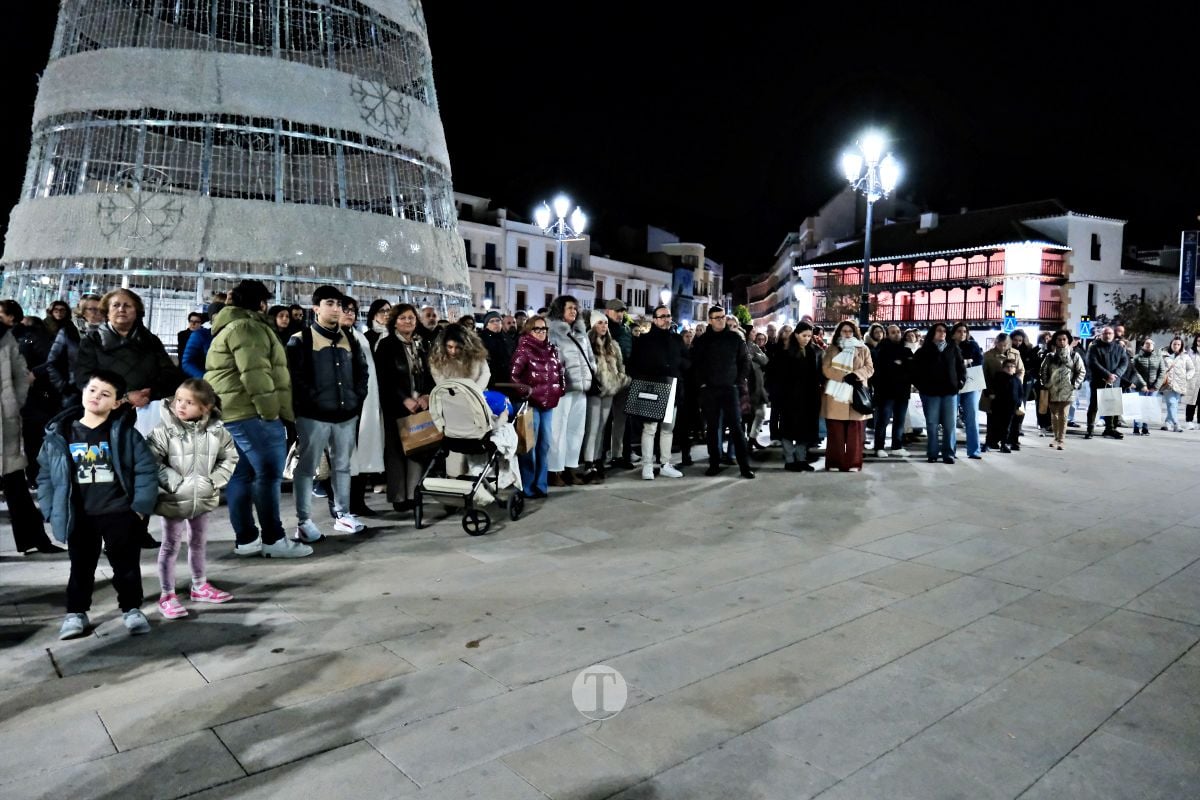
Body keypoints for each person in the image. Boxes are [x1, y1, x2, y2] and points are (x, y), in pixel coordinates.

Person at [40, 371, 158, 639]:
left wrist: (139, 508)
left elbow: (146, 471)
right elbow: (45, 475)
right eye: (92, 390)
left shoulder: (125, 434)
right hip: (80, 515)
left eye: (106, 394)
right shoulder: (61, 434)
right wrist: (49, 508)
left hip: (118, 512)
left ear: (116, 403)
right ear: (83, 392)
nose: (96, 397)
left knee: (126, 565)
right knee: (81, 566)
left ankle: (131, 609)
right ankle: (76, 613)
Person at [206, 280, 309, 558]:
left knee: (241, 475)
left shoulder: (229, 325)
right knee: (269, 475)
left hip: (232, 412)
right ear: (261, 303)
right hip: (251, 413)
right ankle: (274, 539)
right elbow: (256, 375)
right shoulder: (248, 327)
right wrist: (270, 414)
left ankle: (247, 539)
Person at [146, 379, 238, 619]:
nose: (181, 406)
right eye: (179, 400)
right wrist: (174, 482)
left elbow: (229, 458)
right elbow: (152, 461)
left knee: (198, 542)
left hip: (203, 498)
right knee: (170, 545)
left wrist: (213, 481)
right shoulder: (163, 431)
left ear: (205, 408)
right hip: (173, 499)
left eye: (189, 402)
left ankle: (200, 585)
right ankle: (167, 595)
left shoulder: (217, 432)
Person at [287, 286, 370, 541]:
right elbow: (295, 378)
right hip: (314, 416)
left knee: (342, 466)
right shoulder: (300, 339)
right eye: (330, 303)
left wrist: (356, 399)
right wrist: (312, 404)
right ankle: (304, 521)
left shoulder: (350, 338)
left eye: (339, 304)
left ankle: (342, 514)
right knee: (308, 468)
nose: (337, 309)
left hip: (345, 414)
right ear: (316, 308)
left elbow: (361, 373)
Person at [1, 315, 57, 554]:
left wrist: (13, 403)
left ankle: (34, 539)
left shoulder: (4, 335)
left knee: (16, 486)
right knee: (16, 487)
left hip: (5, 422)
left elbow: (21, 373)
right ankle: (35, 539)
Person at [373, 304, 433, 512]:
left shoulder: (422, 344)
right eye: (403, 318)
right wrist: (403, 399)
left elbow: (430, 374)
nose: (408, 321)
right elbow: (384, 378)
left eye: (412, 318)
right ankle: (398, 496)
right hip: (396, 406)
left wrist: (426, 395)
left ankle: (413, 493)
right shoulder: (387, 345)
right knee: (396, 452)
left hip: (420, 405)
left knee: (418, 449)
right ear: (394, 321)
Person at [691, 306, 754, 479]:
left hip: (730, 388)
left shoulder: (734, 338)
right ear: (710, 320)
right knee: (712, 429)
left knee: (737, 428)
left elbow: (745, 361)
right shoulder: (702, 341)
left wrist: (738, 381)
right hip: (710, 390)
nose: (721, 320)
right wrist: (702, 384)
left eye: (722, 317)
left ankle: (744, 466)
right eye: (717, 317)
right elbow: (696, 364)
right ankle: (714, 463)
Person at [626, 304, 687, 481]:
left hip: (672, 385)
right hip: (652, 387)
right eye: (662, 316)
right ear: (654, 319)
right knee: (650, 428)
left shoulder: (676, 339)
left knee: (668, 428)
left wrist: (678, 367)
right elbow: (634, 364)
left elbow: (686, 359)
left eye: (668, 316)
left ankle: (665, 464)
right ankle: (647, 465)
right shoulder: (644, 340)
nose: (666, 319)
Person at [338, 297, 385, 516]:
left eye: (353, 311)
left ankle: (357, 502)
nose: (350, 314)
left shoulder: (359, 338)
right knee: (343, 456)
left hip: (363, 405)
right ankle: (340, 504)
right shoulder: (328, 337)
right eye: (345, 310)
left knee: (363, 452)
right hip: (341, 406)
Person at [509, 315, 565, 497]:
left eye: (544, 329)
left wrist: (559, 389)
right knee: (529, 446)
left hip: (548, 403)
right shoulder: (523, 350)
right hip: (530, 404)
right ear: (529, 331)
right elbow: (513, 377)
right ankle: (528, 485)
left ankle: (541, 485)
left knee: (545, 444)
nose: (541, 333)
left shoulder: (552, 349)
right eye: (537, 329)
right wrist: (525, 393)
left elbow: (559, 371)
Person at [546, 295, 596, 487]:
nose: (573, 311)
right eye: (569, 308)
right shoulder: (553, 332)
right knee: (558, 430)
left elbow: (590, 357)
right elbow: (551, 359)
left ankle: (570, 468)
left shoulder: (581, 333)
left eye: (575, 308)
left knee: (576, 430)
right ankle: (554, 470)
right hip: (563, 389)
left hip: (581, 388)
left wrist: (592, 371)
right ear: (560, 310)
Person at [581, 313, 630, 482]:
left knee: (601, 426)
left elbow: (620, 365)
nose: (604, 326)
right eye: (600, 323)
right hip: (594, 390)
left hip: (609, 390)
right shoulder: (587, 342)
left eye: (606, 323)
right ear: (593, 325)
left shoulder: (613, 345)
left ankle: (597, 459)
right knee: (592, 427)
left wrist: (619, 380)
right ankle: (589, 463)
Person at [820, 321, 874, 471]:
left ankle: (853, 463)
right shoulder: (832, 348)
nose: (847, 334)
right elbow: (826, 368)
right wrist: (842, 376)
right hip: (835, 394)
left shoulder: (863, 348)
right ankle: (835, 462)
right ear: (839, 332)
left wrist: (855, 375)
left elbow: (869, 368)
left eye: (850, 331)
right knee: (835, 432)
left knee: (854, 433)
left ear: (855, 332)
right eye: (844, 331)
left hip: (855, 393)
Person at [913, 322, 966, 463]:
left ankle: (948, 453)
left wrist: (960, 383)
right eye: (939, 330)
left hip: (950, 392)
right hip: (931, 393)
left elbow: (961, 368)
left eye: (944, 331)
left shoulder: (953, 348)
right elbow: (915, 372)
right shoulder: (923, 351)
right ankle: (932, 453)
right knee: (932, 424)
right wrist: (922, 387)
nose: (942, 333)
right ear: (933, 333)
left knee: (949, 425)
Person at [774, 322, 823, 471]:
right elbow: (778, 377)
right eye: (804, 336)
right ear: (796, 335)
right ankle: (789, 460)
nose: (807, 339)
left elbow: (817, 374)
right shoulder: (785, 353)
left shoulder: (813, 352)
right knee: (788, 429)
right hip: (789, 398)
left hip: (808, 398)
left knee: (805, 430)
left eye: (809, 336)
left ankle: (801, 459)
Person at [46, 294, 103, 409]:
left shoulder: (110, 334)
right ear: (83, 312)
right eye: (91, 309)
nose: (96, 312)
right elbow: (52, 362)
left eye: (100, 309)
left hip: (102, 393)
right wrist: (63, 387)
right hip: (74, 393)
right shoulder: (69, 332)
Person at [1038, 329, 1085, 450]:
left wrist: (1074, 384)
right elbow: (1043, 371)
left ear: (1068, 341)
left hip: (1067, 390)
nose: (1062, 341)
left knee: (1064, 415)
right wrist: (1046, 383)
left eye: (1064, 339)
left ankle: (1061, 439)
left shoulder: (1074, 355)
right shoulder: (1050, 356)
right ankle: (1055, 437)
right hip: (1052, 389)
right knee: (1054, 416)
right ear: (1055, 341)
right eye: (1059, 339)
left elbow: (1081, 371)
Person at [871, 324, 913, 457]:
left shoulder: (906, 350)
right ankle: (879, 447)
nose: (897, 334)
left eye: (898, 332)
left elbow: (911, 369)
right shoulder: (881, 349)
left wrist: (900, 365)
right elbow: (881, 370)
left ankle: (897, 446)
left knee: (899, 420)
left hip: (903, 391)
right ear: (888, 335)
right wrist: (898, 365)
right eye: (893, 332)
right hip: (885, 392)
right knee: (883, 420)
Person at [603, 299, 635, 469]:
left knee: (621, 420)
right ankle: (599, 456)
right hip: (608, 380)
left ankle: (618, 455)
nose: (620, 314)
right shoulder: (603, 329)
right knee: (603, 421)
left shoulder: (626, 330)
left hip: (624, 379)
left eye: (622, 311)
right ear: (607, 311)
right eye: (616, 311)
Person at [982, 333, 1025, 450]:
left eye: (1005, 345)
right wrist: (989, 391)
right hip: (994, 393)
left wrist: (1016, 383)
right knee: (993, 419)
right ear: (996, 343)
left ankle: (1011, 441)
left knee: (1012, 419)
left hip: (1011, 393)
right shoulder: (988, 355)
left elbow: (1021, 370)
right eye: (1000, 345)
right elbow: (985, 375)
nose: (1002, 347)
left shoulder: (1015, 354)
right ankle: (992, 441)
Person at [1084, 326, 1128, 440]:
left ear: (1113, 335)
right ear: (1101, 335)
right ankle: (1090, 429)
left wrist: (1115, 374)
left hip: (1114, 381)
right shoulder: (1094, 347)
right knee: (1094, 406)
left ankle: (1110, 429)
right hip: (1098, 381)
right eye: (1105, 333)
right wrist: (1107, 375)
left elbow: (1124, 362)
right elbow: (1092, 362)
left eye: (1110, 333)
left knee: (1111, 406)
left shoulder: (1119, 348)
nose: (1107, 335)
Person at [951, 323, 985, 458]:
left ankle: (974, 450)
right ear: (953, 333)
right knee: (951, 418)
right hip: (953, 384)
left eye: (964, 331)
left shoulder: (973, 345)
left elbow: (979, 362)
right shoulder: (949, 346)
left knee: (972, 417)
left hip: (971, 382)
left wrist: (965, 363)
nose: (962, 333)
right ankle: (950, 450)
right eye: (959, 331)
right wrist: (965, 362)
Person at [986, 358, 1024, 453]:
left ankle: (1005, 444)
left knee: (1010, 427)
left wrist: (1019, 403)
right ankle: (990, 442)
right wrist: (991, 394)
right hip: (998, 406)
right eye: (1007, 367)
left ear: (1015, 369)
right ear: (1003, 368)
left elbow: (1020, 393)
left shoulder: (1017, 380)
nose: (1010, 369)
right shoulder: (998, 377)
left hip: (1012, 407)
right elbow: (989, 388)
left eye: (1012, 367)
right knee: (994, 426)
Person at [181, 299, 225, 380]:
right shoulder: (201, 335)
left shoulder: (234, 335)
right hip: (206, 383)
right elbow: (187, 362)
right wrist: (205, 378)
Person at [1161, 336, 1195, 433]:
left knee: (1174, 404)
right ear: (1171, 344)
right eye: (1174, 344)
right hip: (1168, 383)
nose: (1176, 346)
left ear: (1181, 346)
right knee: (1171, 402)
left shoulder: (1185, 356)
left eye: (1178, 344)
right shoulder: (1164, 355)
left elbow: (1191, 369)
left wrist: (1186, 377)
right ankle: (1176, 424)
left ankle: (1168, 422)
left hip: (1180, 384)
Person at [1130, 337, 1162, 436]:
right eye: (1146, 343)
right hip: (1139, 387)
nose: (1148, 345)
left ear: (1153, 346)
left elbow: (1162, 372)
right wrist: (1143, 385)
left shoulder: (1158, 357)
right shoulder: (1136, 358)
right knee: (1138, 407)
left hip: (1153, 387)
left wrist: (1156, 386)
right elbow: (1134, 372)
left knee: (1148, 407)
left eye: (1151, 344)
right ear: (1143, 346)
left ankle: (1145, 428)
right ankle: (1136, 427)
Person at [479, 311, 514, 389]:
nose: (495, 323)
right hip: (491, 381)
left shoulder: (506, 338)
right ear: (486, 325)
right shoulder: (481, 339)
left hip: (506, 380)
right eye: (492, 321)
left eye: (498, 320)